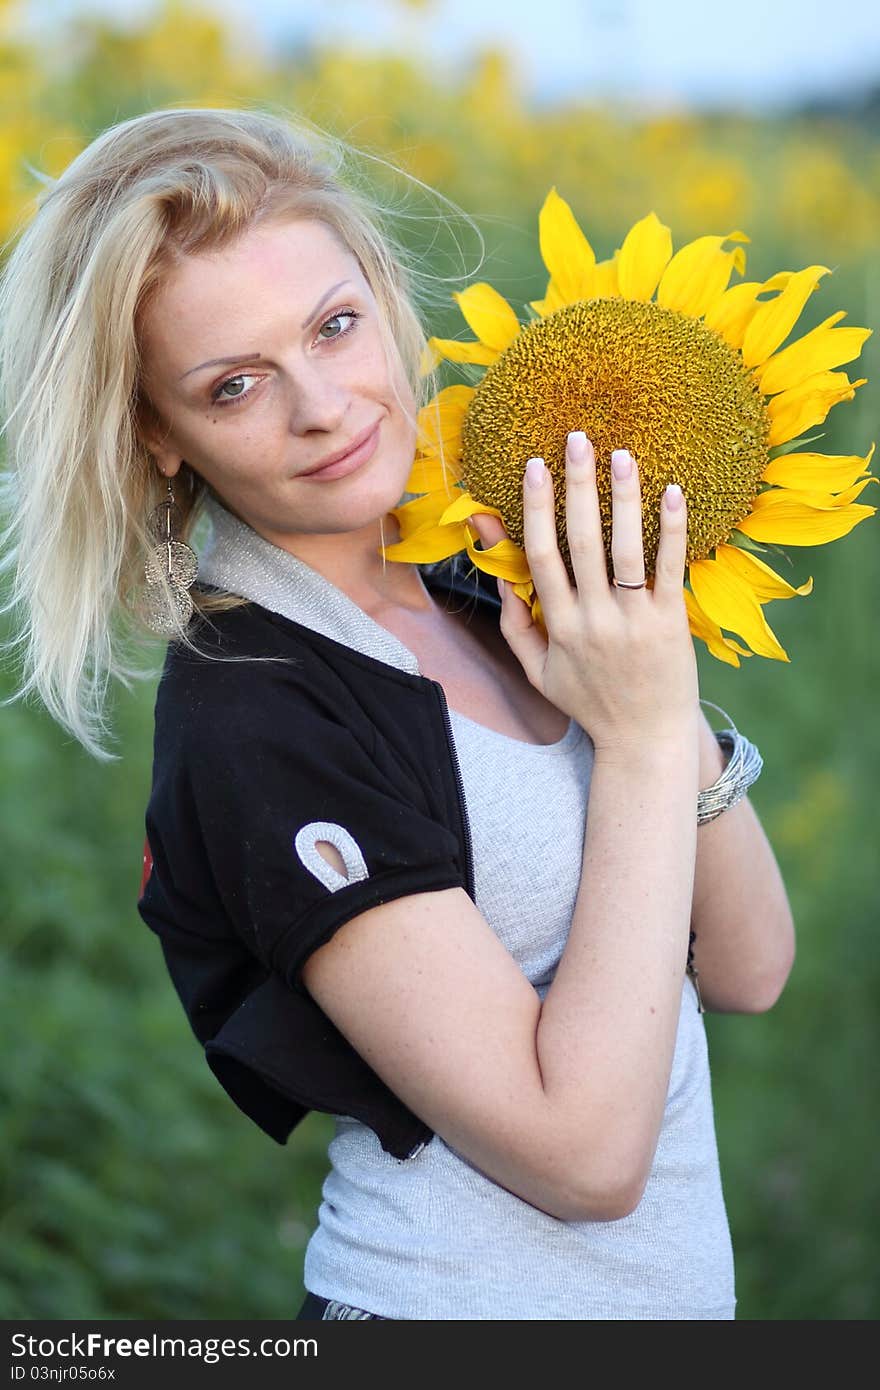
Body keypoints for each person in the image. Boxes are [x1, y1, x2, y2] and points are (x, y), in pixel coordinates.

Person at [0, 106, 796, 1322]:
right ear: (156, 432)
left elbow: (746, 965)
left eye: (333, 324)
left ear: (380, 294)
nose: (321, 406)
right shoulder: (258, 715)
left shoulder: (487, 572)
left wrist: (655, 687)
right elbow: (582, 1160)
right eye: (234, 384)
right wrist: (635, 738)